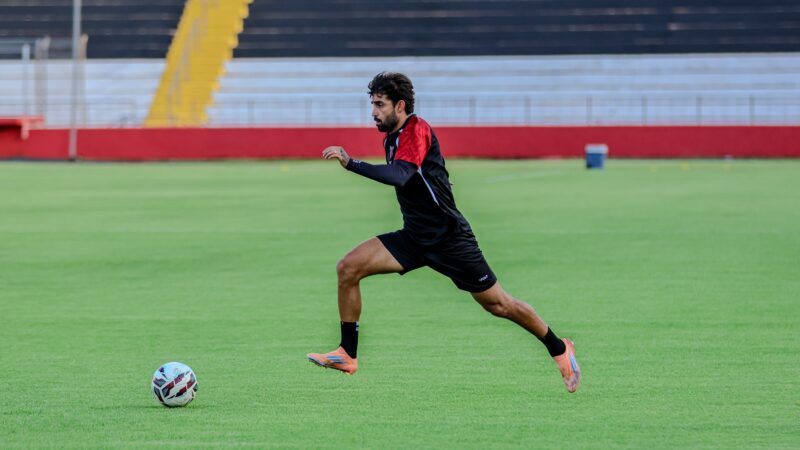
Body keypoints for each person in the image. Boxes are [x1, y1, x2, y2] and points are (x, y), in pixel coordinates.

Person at [307, 72, 581, 393]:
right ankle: (347, 353)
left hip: (450, 239)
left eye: (380, 105)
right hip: (415, 238)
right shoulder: (392, 138)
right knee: (348, 268)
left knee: (499, 305)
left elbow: (401, 175)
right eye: (373, 105)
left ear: (400, 105)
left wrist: (351, 163)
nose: (374, 112)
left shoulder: (417, 129)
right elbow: (428, 172)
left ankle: (559, 348)